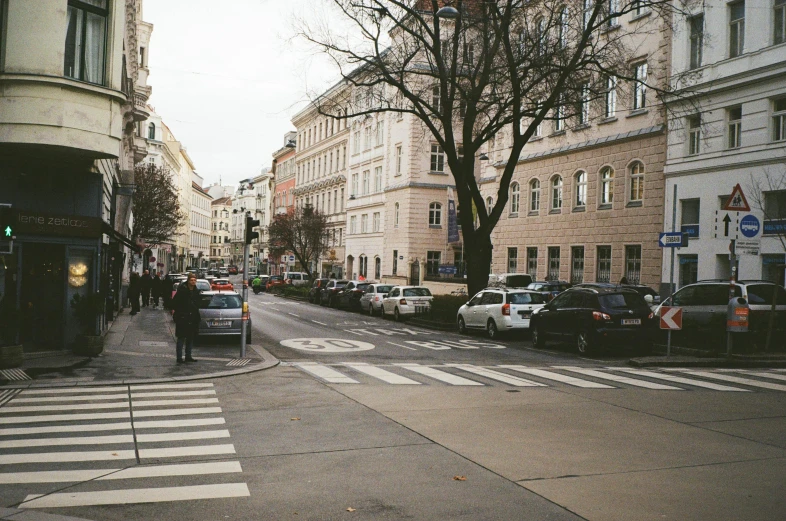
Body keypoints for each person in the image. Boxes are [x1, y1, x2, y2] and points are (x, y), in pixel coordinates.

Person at [172, 272, 201, 363]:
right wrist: (179, 314)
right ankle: (179, 358)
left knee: (190, 338)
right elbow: (175, 303)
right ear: (188, 281)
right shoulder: (182, 290)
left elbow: (198, 303)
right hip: (183, 317)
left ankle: (188, 356)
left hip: (192, 318)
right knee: (181, 338)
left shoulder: (196, 291)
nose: (193, 282)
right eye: (191, 280)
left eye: (194, 280)